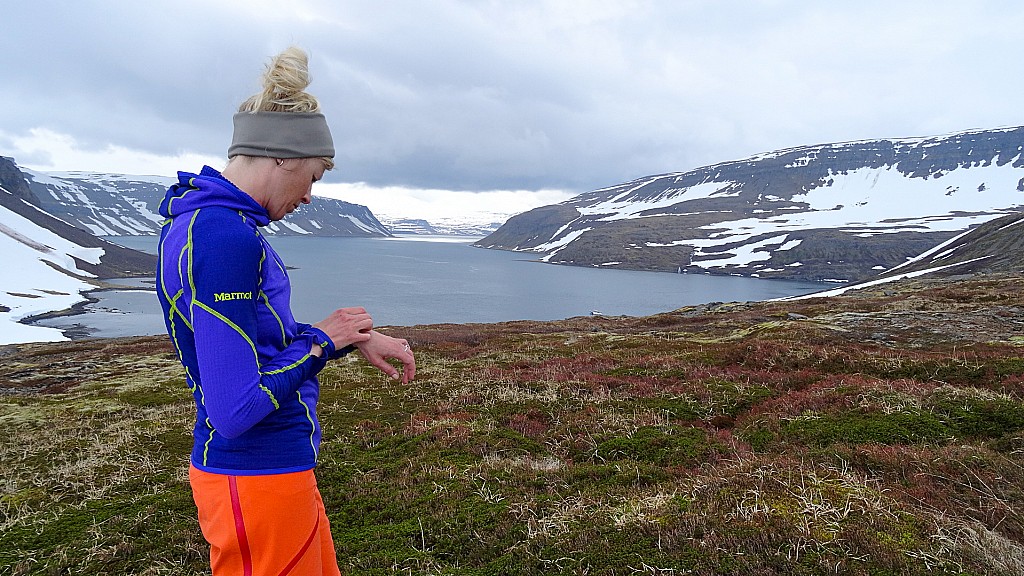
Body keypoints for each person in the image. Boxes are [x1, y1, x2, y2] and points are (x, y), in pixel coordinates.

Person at [155, 46, 415, 576]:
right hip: (254, 480)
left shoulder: (218, 226)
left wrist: (356, 337)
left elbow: (255, 338)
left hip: (275, 472)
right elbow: (235, 410)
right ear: (284, 157)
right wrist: (323, 342)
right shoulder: (223, 237)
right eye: (314, 178)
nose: (310, 196)